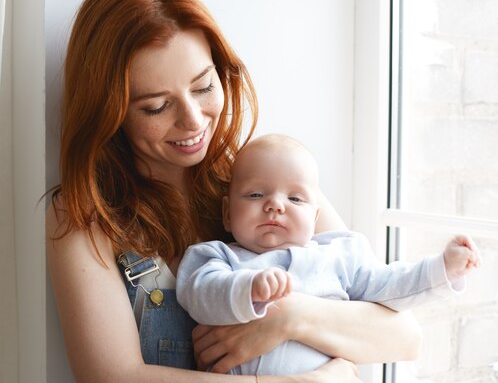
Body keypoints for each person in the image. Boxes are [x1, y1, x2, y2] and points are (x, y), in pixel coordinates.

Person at [46, 0, 424, 383]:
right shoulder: (83, 215)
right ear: (110, 112)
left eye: (204, 87)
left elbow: (402, 336)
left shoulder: (265, 177)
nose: (192, 121)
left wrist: (287, 316)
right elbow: (111, 376)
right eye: (156, 107)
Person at [177, 134, 481, 376]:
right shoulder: (217, 258)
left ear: (315, 215)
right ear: (227, 214)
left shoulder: (340, 256)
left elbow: (393, 285)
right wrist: (248, 289)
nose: (275, 205)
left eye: (294, 198)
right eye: (256, 194)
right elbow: (200, 294)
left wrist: (443, 268)